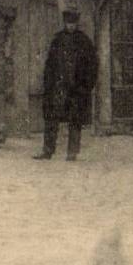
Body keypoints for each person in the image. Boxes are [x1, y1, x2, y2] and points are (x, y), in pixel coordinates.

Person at [35, 9, 99, 161]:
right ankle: (47, 150)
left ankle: (72, 152)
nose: (71, 26)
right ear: (65, 23)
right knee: (51, 118)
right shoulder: (57, 40)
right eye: (68, 23)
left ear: (77, 23)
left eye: (73, 23)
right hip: (58, 88)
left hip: (76, 89)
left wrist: (86, 86)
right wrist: (48, 83)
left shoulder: (84, 41)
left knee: (75, 120)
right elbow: (49, 64)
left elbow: (93, 65)